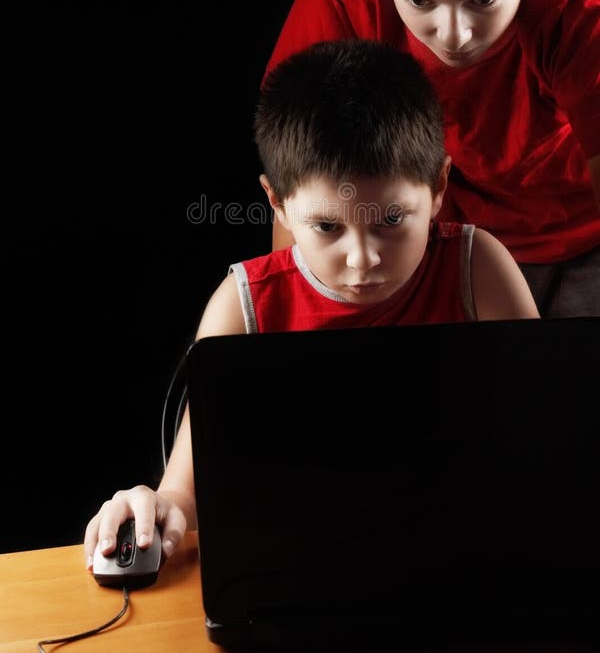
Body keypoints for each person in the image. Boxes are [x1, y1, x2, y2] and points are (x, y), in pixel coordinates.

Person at [84, 38, 539, 569]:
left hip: (468, 555)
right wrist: (153, 507)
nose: (363, 259)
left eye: (392, 220)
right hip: (301, 565)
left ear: (438, 186)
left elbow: (541, 439)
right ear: (277, 202)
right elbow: (186, 493)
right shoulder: (244, 306)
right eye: (327, 226)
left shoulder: (476, 268)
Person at [265, 0, 600, 318]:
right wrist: (296, 326)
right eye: (420, 2)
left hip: (586, 233)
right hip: (446, 241)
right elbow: (305, 172)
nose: (455, 34)